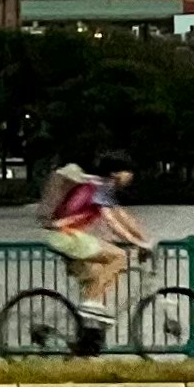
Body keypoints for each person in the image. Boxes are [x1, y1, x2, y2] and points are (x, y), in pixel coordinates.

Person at [33, 151, 151, 354]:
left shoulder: (102, 188)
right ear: (116, 173)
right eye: (128, 172)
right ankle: (90, 306)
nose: (130, 176)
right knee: (119, 256)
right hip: (65, 234)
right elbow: (111, 221)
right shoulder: (100, 188)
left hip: (61, 235)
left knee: (93, 277)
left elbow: (122, 215)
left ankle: (86, 340)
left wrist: (145, 239)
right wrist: (136, 243)